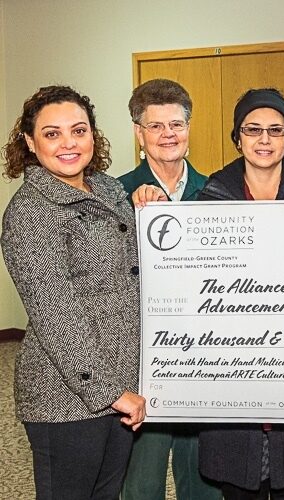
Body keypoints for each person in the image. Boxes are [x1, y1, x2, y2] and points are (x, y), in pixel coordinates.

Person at [0, 85, 146, 499]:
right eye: (52, 133)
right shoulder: (31, 212)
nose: (68, 143)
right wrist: (109, 392)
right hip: (65, 395)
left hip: (120, 381)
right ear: (30, 142)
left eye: (78, 130)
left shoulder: (110, 190)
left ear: (93, 135)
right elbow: (54, 313)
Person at [194, 88, 284, 500]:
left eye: (275, 130)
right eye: (252, 130)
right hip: (232, 373)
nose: (264, 139)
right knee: (240, 484)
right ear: (237, 138)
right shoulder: (209, 201)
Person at [118, 79, 220, 500]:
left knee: (205, 482)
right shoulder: (114, 194)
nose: (168, 135)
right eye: (155, 126)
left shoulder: (217, 191)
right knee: (141, 484)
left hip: (203, 355)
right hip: (140, 361)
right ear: (139, 133)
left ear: (189, 126)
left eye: (176, 124)